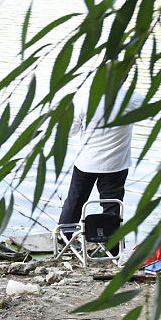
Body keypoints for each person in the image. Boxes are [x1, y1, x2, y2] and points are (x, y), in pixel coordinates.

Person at [57, 85, 139, 248]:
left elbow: (70, 131)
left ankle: (63, 237)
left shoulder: (84, 98)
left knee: (76, 200)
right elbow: (148, 112)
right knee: (112, 204)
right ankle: (111, 245)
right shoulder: (133, 98)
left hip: (87, 161)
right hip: (116, 164)